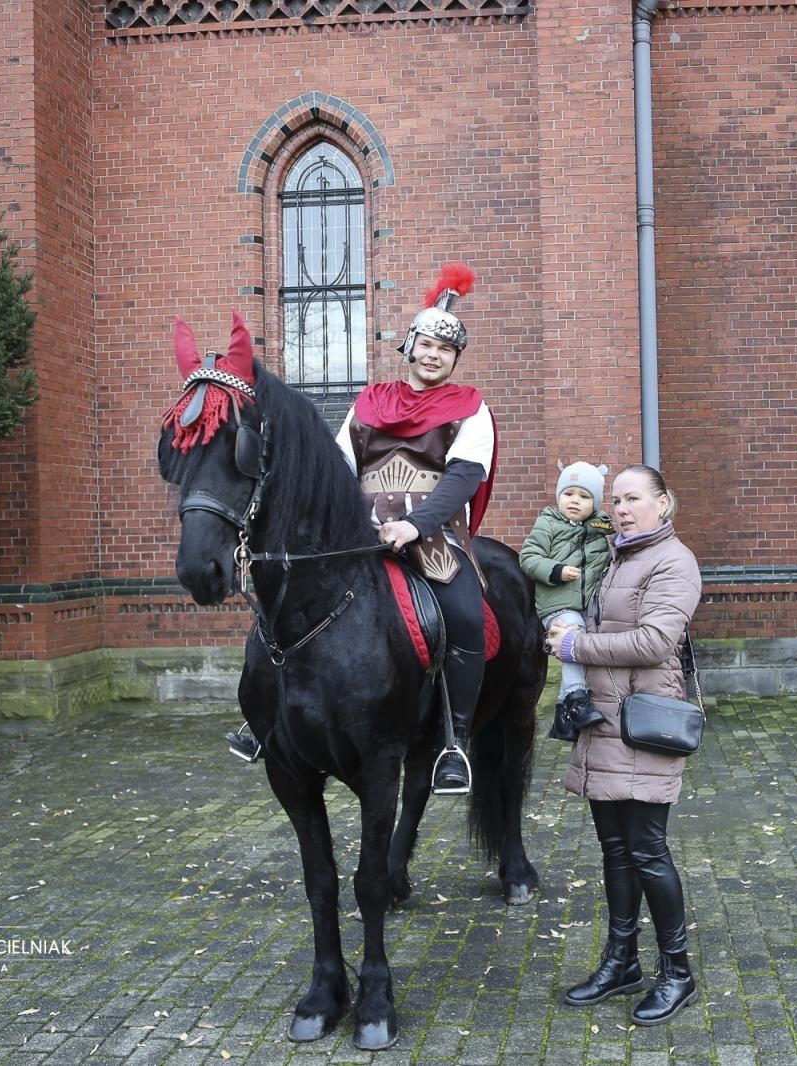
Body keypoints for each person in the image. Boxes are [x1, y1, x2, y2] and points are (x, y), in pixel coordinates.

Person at [227, 264, 494, 797]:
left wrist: (414, 527)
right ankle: (265, 717)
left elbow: (465, 476)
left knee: (467, 617)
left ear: (454, 359)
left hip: (433, 540)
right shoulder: (369, 402)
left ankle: (453, 741)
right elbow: (341, 469)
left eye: (447, 350)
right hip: (358, 533)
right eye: (426, 344)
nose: (434, 355)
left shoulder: (471, 408)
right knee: (290, 601)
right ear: (410, 347)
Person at [546, 463, 704, 1027]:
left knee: (647, 851)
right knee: (615, 850)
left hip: (644, 724)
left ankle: (677, 973)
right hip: (606, 721)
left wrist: (575, 646)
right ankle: (622, 963)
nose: (621, 508)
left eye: (634, 498)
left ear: (664, 503)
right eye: (615, 499)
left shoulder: (673, 562)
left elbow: (656, 640)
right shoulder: (620, 556)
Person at [518, 462, 614, 742]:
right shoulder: (548, 523)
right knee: (572, 638)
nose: (575, 501)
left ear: (595, 502)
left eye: (584, 496)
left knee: (585, 645)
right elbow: (528, 557)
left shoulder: (601, 529)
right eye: (569, 493)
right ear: (559, 496)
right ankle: (576, 699)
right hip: (557, 604)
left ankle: (563, 719)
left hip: (588, 607)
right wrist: (555, 570)